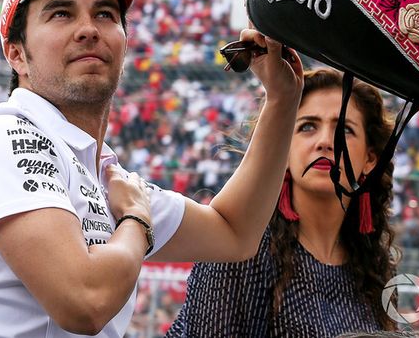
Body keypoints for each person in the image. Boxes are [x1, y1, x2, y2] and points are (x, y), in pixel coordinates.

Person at [0, 0, 304, 337]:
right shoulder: (2, 133)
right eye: (61, 13)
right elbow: (85, 301)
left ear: (124, 43)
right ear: (17, 54)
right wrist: (136, 221)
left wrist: (282, 100)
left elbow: (234, 232)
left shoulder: (108, 176)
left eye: (105, 14)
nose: (88, 29)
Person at [167, 68, 400, 336]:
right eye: (307, 127)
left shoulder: (374, 267)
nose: (325, 141)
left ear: (370, 159)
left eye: (344, 130)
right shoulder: (241, 245)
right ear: (283, 149)